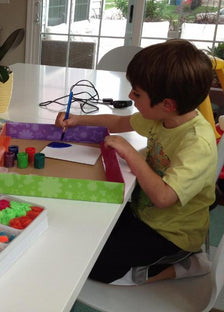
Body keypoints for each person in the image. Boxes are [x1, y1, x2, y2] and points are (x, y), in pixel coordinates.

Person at [55, 39, 217, 285]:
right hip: (142, 212)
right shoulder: (161, 117)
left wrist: (130, 153)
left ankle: (186, 264)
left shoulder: (197, 143)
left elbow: (163, 198)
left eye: (137, 93)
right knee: (87, 232)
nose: (130, 95)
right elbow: (120, 123)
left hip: (172, 233)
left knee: (95, 267)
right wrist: (78, 120)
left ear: (167, 104)